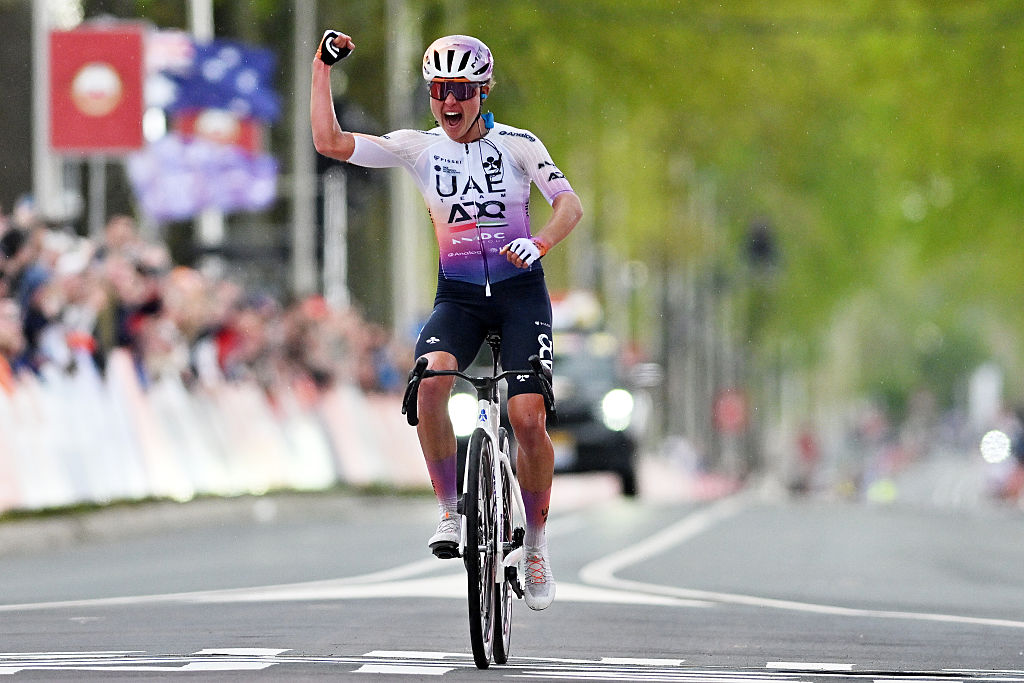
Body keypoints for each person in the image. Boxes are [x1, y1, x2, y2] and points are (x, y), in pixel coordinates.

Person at [311, 30, 583, 610]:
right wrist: (320, 70)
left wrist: (541, 242)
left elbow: (570, 205)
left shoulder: (519, 145)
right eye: (438, 91)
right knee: (430, 380)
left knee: (528, 417)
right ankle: (451, 513)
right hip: (458, 296)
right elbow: (330, 142)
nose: (449, 103)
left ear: (482, 91)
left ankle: (534, 544)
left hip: (519, 295)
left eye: (459, 90)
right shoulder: (418, 147)